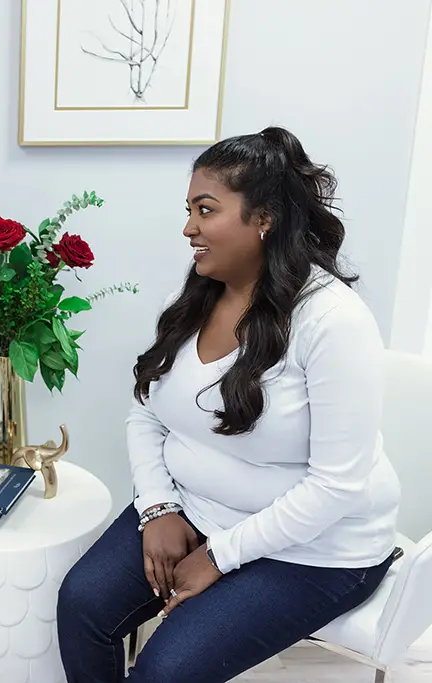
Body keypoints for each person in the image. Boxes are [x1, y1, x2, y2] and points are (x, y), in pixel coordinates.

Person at [56, 127, 401, 683]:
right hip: (195, 508)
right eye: (189, 209)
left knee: (166, 670)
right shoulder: (192, 297)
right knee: (83, 605)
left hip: (315, 549)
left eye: (206, 209)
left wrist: (218, 556)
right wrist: (157, 508)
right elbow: (145, 411)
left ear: (263, 217)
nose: (189, 227)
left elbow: (337, 486)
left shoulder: (333, 321)